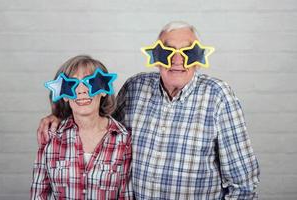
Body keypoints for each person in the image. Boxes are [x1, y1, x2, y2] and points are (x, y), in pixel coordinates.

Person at [37, 21, 260, 199]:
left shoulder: (218, 96)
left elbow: (243, 184)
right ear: (155, 55)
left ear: (199, 58)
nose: (177, 60)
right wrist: (59, 114)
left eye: (188, 52)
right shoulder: (136, 87)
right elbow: (98, 123)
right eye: (167, 52)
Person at [31, 55, 132, 199]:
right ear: (64, 95)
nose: (81, 90)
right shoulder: (51, 136)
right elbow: (39, 193)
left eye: (91, 82)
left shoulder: (123, 140)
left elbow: (125, 195)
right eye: (72, 84)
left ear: (104, 90)